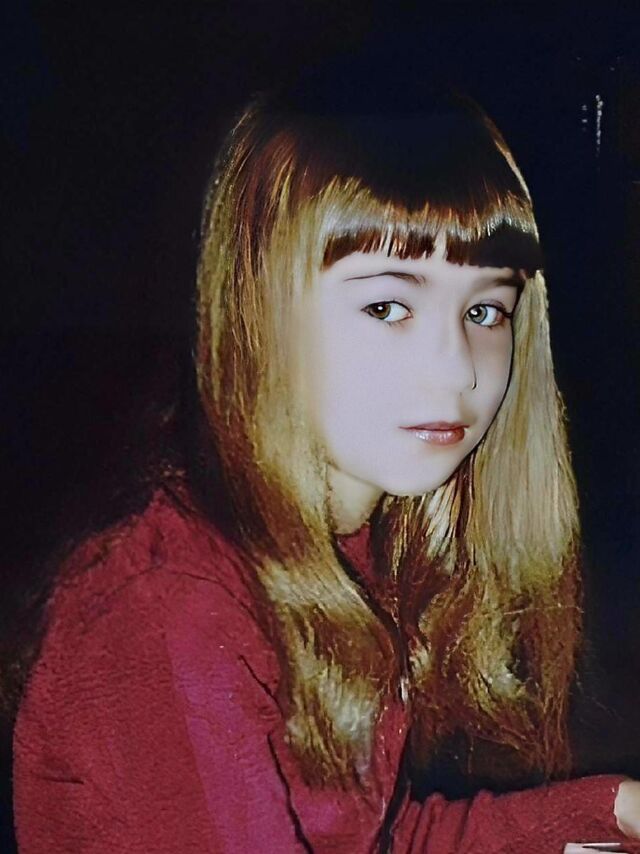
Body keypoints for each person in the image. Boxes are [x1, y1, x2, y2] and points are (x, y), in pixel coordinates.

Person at [12, 67, 640, 853]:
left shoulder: (346, 554)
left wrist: (609, 812)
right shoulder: (168, 613)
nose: (457, 368)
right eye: (387, 305)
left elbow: (371, 839)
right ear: (258, 312)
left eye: (485, 309)